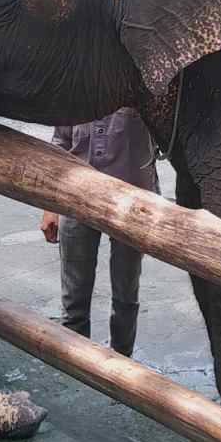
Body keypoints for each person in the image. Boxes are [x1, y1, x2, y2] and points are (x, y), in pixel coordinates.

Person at [39, 108, 159, 357]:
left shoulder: (139, 89)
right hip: (76, 198)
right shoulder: (74, 89)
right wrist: (50, 207)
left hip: (133, 203)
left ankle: (122, 360)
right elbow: (60, 144)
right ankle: (78, 360)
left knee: (126, 294)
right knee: (74, 297)